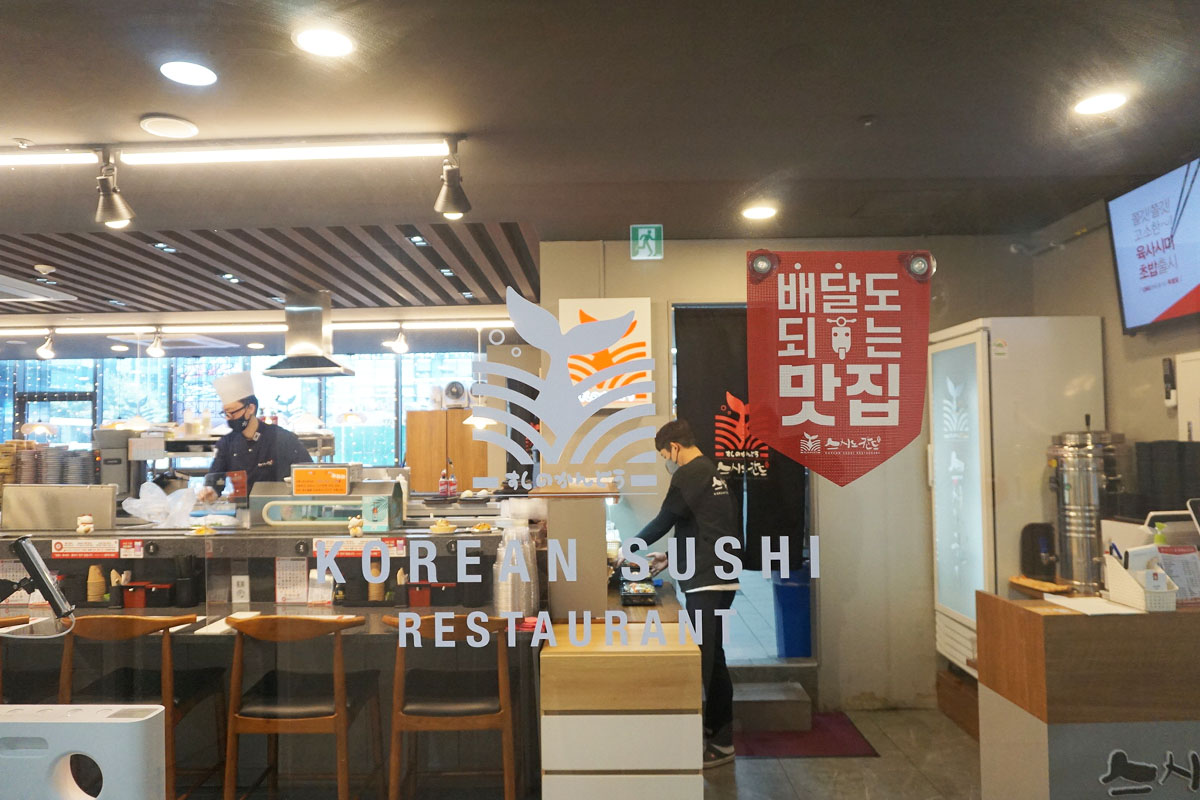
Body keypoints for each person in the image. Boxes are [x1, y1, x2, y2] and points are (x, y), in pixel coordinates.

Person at [630, 418, 739, 768]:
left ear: (674, 447)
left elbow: (664, 520)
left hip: (706, 581)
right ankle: (716, 731)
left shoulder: (690, 473)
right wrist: (670, 556)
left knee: (702, 662)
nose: (668, 461)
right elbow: (706, 526)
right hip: (721, 577)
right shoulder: (712, 472)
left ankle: (717, 742)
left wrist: (629, 549)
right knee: (713, 657)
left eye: (666, 455)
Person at [198, 372, 312, 501]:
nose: (228, 418)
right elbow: (215, 477)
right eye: (225, 413)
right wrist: (211, 491)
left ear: (250, 408)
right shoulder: (226, 443)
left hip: (277, 509)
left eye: (232, 412)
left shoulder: (282, 438)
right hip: (242, 510)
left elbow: (307, 473)